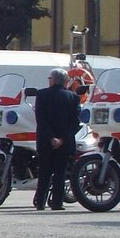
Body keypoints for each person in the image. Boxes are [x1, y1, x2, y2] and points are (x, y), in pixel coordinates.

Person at [32, 68, 79, 211]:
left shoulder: (42, 95)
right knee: (60, 173)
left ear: (53, 80)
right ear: (65, 81)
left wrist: (51, 137)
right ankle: (57, 202)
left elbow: (40, 119)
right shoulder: (73, 97)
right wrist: (62, 139)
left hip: (46, 141)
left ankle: (40, 202)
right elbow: (75, 122)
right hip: (63, 143)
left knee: (44, 172)